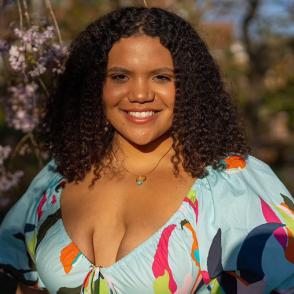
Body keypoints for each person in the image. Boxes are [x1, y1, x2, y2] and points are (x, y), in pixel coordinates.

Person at [0, 6, 293, 294]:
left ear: (189, 85)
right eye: (120, 77)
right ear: (94, 86)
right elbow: (26, 284)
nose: (140, 94)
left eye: (161, 77)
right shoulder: (57, 177)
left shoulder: (234, 184)